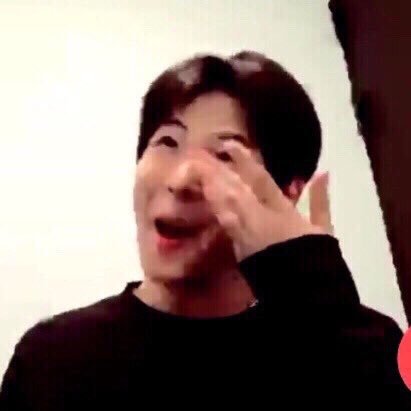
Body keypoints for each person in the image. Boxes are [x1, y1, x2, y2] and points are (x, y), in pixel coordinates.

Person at [0, 51, 409, 410]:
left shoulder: (350, 344)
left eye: (224, 155)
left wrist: (320, 298)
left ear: (285, 194)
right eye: (167, 142)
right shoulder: (50, 359)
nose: (181, 180)